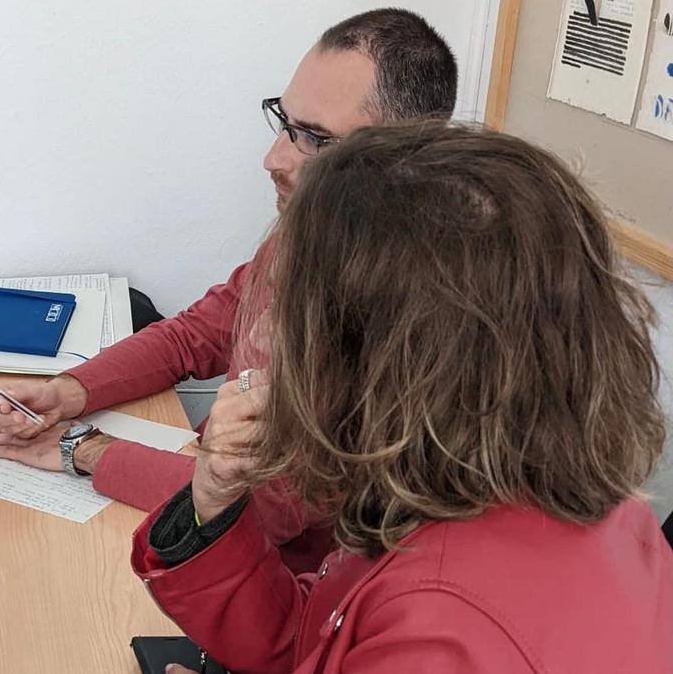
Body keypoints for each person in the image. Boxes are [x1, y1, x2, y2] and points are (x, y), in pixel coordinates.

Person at [139, 122, 673, 673]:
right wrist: (216, 505)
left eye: (297, 311)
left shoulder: (443, 634)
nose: (273, 333)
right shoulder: (506, 492)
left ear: (384, 360)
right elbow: (323, 640)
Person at [0, 9, 459, 573]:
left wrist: (81, 450)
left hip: (272, 582)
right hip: (203, 498)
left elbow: (259, 505)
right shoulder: (313, 228)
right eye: (285, 122)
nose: (275, 158)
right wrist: (71, 391)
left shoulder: (395, 309)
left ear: (403, 156)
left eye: (315, 139)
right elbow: (199, 333)